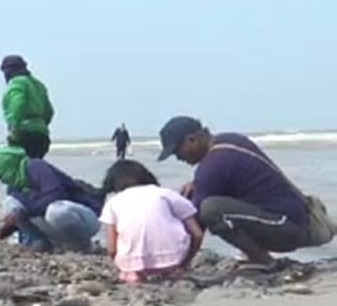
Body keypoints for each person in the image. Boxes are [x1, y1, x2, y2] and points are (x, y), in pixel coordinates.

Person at [158, 116, 309, 268]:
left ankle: (264, 262)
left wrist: (179, 263)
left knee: (211, 210)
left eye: (177, 151)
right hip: (295, 220)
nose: (178, 158)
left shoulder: (213, 166)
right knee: (201, 196)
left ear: (192, 140)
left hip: (286, 228)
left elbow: (196, 226)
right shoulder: (229, 140)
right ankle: (255, 256)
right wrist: (197, 184)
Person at [100, 160, 203, 284]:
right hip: (174, 259)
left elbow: (112, 248)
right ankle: (174, 271)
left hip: (132, 263)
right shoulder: (166, 194)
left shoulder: (113, 202)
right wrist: (185, 262)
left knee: (129, 261)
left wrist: (122, 264)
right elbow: (197, 234)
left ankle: (134, 275)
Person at [0, 145, 101, 252]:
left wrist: (26, 211)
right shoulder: (15, 185)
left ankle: (83, 244)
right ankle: (39, 241)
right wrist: (0, 232)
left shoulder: (36, 166)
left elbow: (55, 194)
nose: (2, 180)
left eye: (1, 174)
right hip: (55, 226)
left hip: (83, 218)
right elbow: (19, 215)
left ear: (8, 166)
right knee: (11, 203)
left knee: (56, 211)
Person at [0, 55, 55, 159]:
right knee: (36, 167)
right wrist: (41, 125)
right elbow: (50, 111)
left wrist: (14, 129)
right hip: (42, 134)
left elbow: (18, 104)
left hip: (24, 133)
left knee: (20, 169)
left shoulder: (16, 83)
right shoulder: (39, 85)